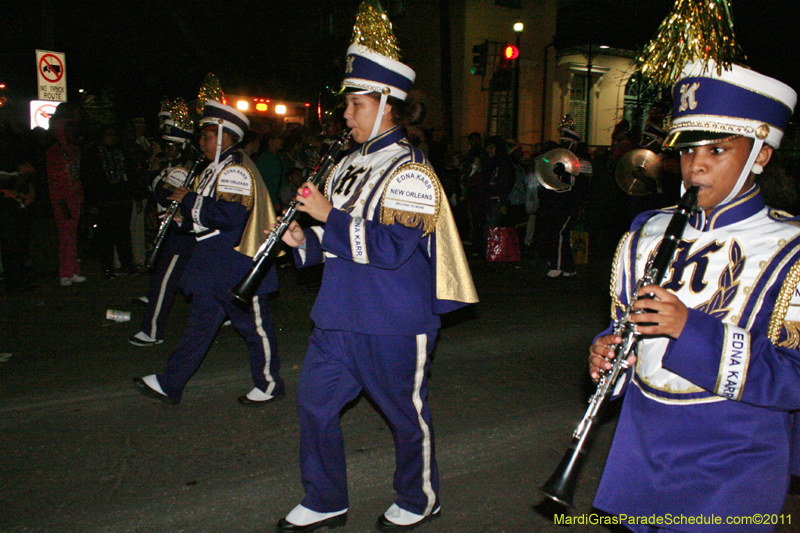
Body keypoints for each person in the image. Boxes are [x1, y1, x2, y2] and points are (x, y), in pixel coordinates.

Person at [274, 4, 478, 531]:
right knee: (314, 406)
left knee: (406, 418)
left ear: (386, 104)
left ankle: (421, 496)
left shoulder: (413, 171)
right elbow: (335, 242)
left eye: (354, 104)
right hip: (336, 317)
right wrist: (303, 239)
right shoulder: (346, 162)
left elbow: (390, 249)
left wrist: (327, 215)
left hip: (392, 320)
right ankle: (325, 498)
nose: (345, 114)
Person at [588, 61, 799, 532]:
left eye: (718, 149)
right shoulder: (649, 231)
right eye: (687, 150)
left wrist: (691, 329)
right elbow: (626, 323)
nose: (695, 164)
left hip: (735, 456)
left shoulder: (791, 249)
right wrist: (607, 350)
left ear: (760, 155)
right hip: (642, 444)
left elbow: (794, 378)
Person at [133, 76, 284, 405]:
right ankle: (171, 382)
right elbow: (207, 217)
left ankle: (270, 384)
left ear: (224, 136)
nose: (201, 141)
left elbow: (230, 217)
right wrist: (182, 220)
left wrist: (188, 202)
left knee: (255, 329)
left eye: (206, 134)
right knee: (199, 327)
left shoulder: (236, 170)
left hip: (238, 264)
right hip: (214, 265)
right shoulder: (214, 168)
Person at [129, 99, 200, 347]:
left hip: (182, 236)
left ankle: (152, 331)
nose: (166, 149)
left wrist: (155, 174)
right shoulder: (173, 167)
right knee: (194, 281)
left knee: (164, 282)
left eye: (171, 146)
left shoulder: (182, 169)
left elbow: (164, 195)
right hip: (175, 232)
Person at [82, 124, 137, 279]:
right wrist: (92, 203)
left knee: (123, 235)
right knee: (105, 237)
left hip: (122, 200)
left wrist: (135, 195)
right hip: (104, 201)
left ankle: (127, 265)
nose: (111, 138)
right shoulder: (94, 153)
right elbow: (88, 179)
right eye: (108, 135)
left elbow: (131, 174)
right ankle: (107, 268)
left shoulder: (122, 151)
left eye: (114, 135)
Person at [46, 110, 86, 286]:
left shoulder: (74, 150)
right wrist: (60, 201)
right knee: (65, 236)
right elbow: (53, 179)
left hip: (75, 198)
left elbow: (77, 177)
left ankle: (73, 269)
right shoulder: (54, 151)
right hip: (62, 199)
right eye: (68, 130)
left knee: (73, 235)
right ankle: (65, 272)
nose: (72, 134)